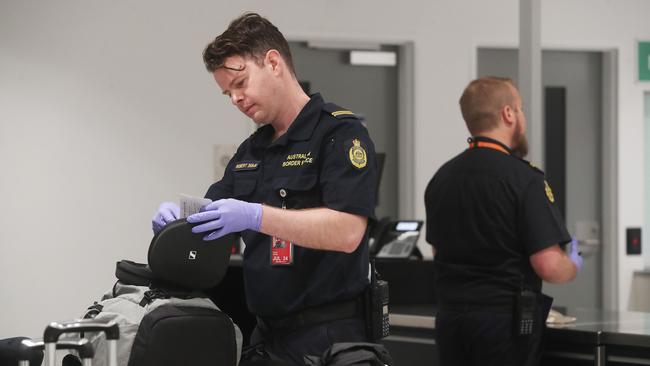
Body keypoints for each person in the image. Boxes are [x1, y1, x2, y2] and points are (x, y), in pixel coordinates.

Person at [152, 13, 378, 366]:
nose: (236, 99)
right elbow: (212, 213)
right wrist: (178, 221)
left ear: (273, 62)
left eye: (241, 83)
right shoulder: (251, 151)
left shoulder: (338, 135)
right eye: (228, 93)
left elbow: (348, 231)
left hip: (330, 340)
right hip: (267, 338)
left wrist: (255, 215)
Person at [424, 76, 583, 366]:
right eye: (520, 109)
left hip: (451, 321)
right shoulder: (525, 180)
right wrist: (573, 262)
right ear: (508, 114)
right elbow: (548, 265)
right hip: (504, 326)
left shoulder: (441, 179)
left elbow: (438, 252)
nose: (522, 117)